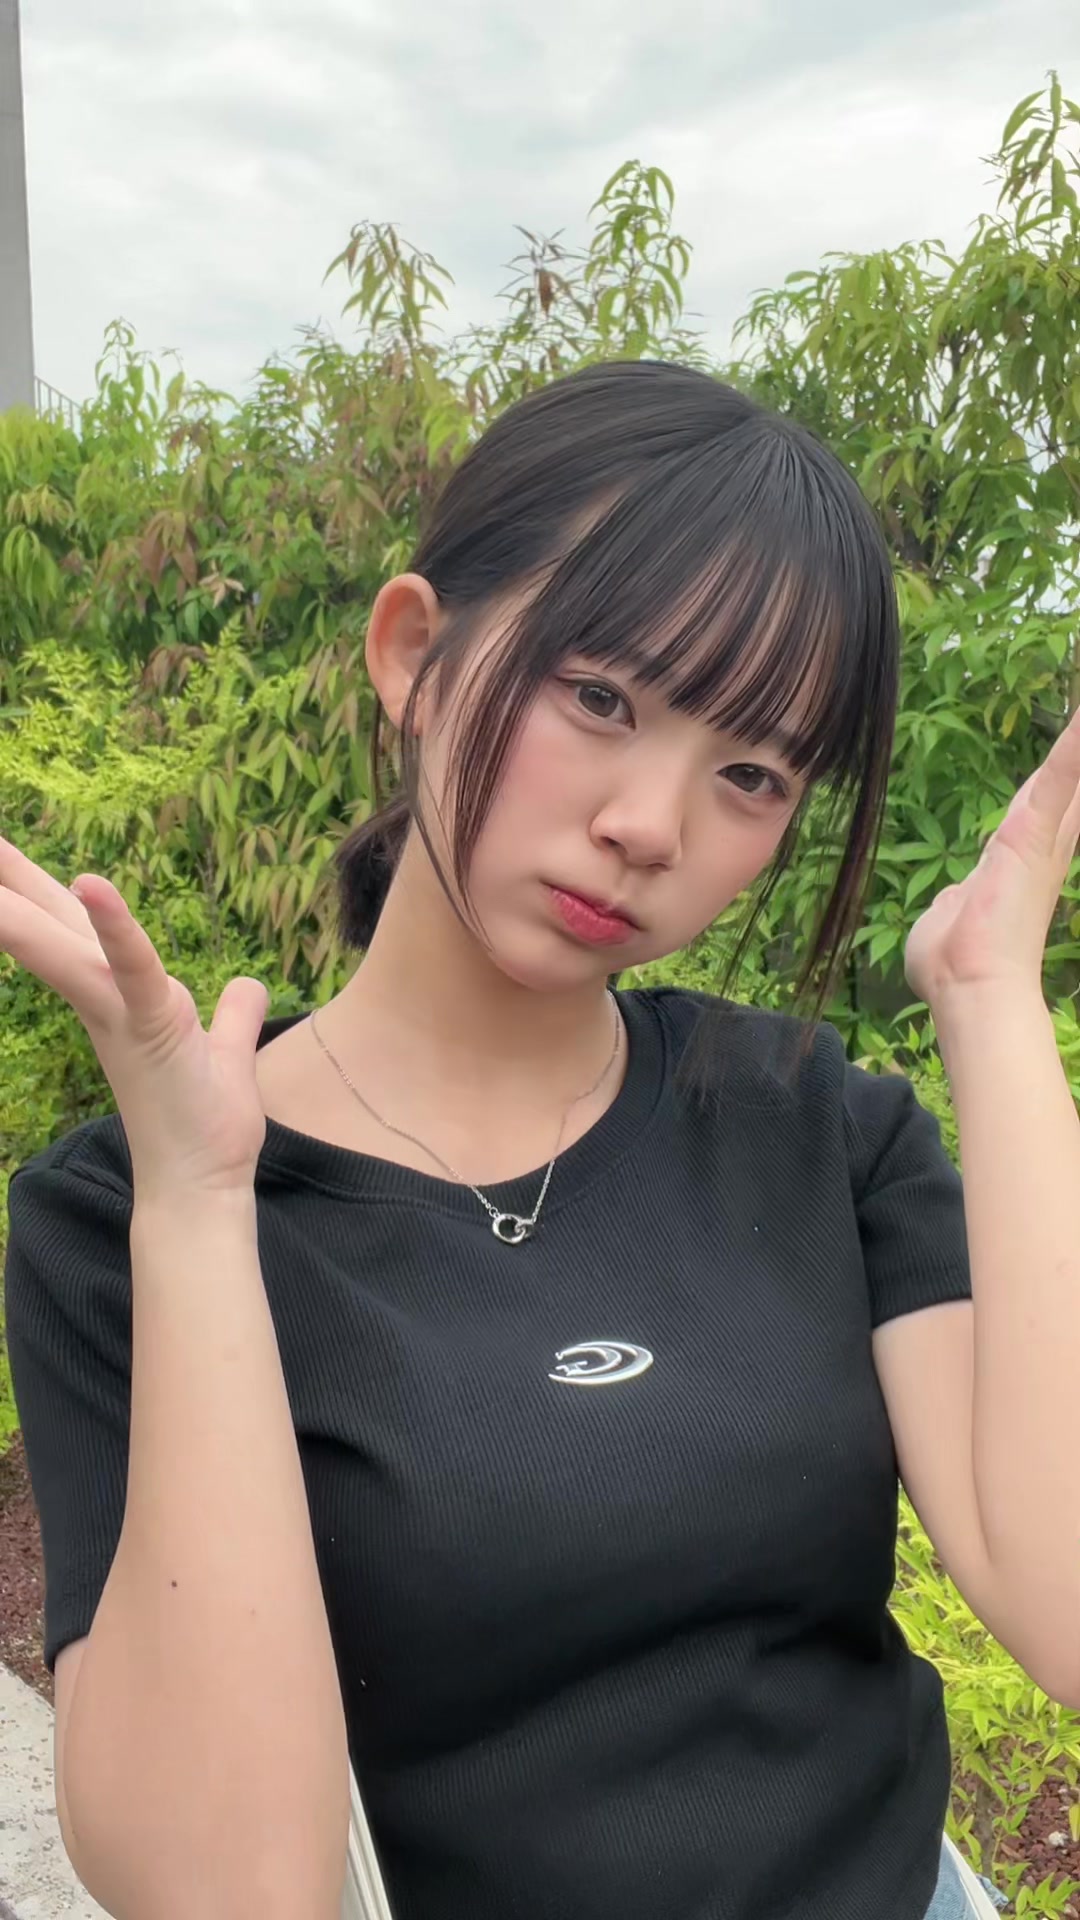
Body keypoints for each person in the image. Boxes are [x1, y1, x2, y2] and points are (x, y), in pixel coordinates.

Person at [3, 359, 1075, 1920]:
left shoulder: (816, 1127)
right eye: (600, 699)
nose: (651, 824)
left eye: (751, 774)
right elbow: (233, 1890)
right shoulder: (130, 1214)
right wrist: (199, 1208)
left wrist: (988, 997)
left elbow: (1064, 1601)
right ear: (413, 654)